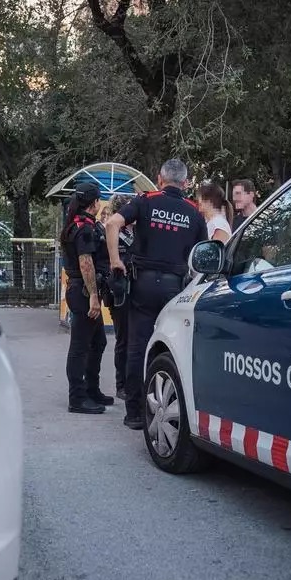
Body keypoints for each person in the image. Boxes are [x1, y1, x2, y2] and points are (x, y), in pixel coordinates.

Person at [105, 159, 208, 430]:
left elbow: (112, 224)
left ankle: (135, 414)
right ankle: (165, 406)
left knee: (137, 349)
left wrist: (116, 260)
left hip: (142, 286)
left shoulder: (145, 201)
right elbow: (203, 256)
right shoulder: (194, 212)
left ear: (160, 179)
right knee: (172, 349)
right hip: (175, 289)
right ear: (185, 183)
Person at [59, 181, 114, 414]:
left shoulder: (79, 223)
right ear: (95, 202)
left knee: (98, 341)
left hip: (83, 290)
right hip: (83, 291)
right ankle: (77, 398)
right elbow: (86, 262)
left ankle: (92, 390)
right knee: (80, 346)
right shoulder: (85, 228)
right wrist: (93, 295)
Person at [104, 194, 137, 401]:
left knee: (137, 338)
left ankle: (135, 381)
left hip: (138, 291)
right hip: (120, 292)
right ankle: (121, 384)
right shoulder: (115, 233)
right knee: (123, 339)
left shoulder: (139, 232)